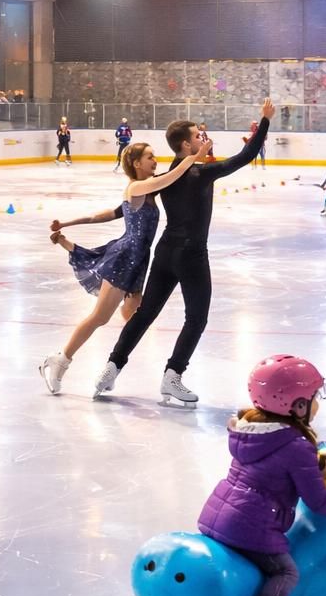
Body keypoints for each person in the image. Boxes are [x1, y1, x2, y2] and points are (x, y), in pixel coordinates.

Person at [97, 99, 274, 406]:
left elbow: (124, 207)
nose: (202, 139)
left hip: (165, 253)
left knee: (145, 314)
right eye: (197, 136)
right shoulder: (202, 173)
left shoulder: (164, 178)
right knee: (196, 319)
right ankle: (173, 376)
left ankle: (111, 367)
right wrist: (265, 120)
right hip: (192, 256)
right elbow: (246, 156)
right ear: (184, 144)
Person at [198, 356, 326, 596]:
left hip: (218, 516)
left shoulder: (248, 428)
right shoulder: (296, 446)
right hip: (252, 526)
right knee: (285, 571)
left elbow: (284, 457)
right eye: (313, 397)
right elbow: (320, 503)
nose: (316, 404)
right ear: (297, 405)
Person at [38, 139, 209, 394]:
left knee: (134, 315)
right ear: (136, 163)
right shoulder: (138, 187)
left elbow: (104, 215)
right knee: (101, 317)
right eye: (150, 157)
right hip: (123, 258)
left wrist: (68, 222)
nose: (155, 160)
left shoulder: (146, 191)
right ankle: (59, 360)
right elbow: (171, 176)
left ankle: (111, 370)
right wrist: (195, 156)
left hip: (139, 261)